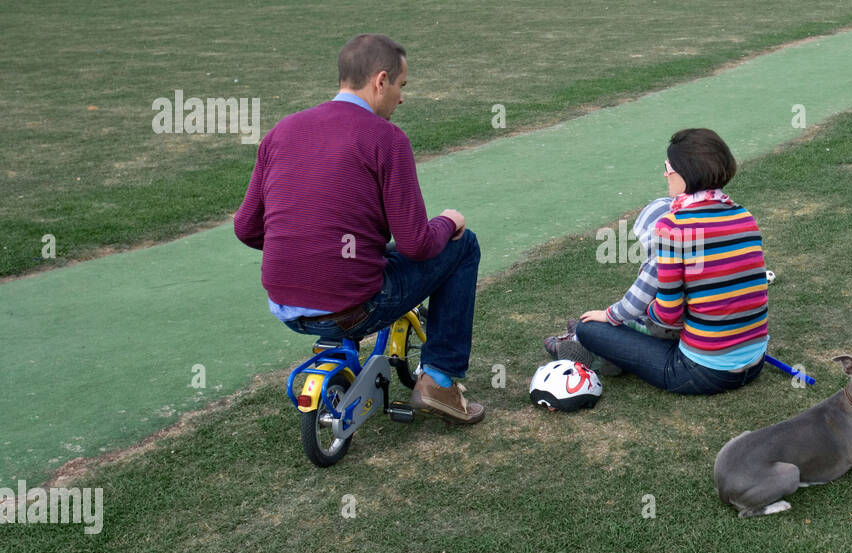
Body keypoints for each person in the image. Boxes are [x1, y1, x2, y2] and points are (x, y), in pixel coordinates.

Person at [233, 33, 485, 424]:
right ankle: (439, 378)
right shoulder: (386, 139)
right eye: (402, 86)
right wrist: (449, 221)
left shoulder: (281, 131)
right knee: (463, 245)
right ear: (380, 81)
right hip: (355, 305)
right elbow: (417, 244)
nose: (402, 98)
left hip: (285, 306)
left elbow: (247, 229)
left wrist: (307, 244)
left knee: (362, 256)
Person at [565, 128, 768, 396]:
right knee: (634, 321)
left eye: (668, 167)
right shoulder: (744, 215)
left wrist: (628, 313)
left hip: (702, 372)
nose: (665, 174)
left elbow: (667, 315)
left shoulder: (673, 225)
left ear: (686, 172)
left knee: (589, 327)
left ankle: (599, 349)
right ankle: (613, 352)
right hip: (755, 362)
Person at [543, 195, 681, 373]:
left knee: (616, 324)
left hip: (662, 327)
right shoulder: (695, 255)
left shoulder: (659, 263)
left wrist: (608, 315)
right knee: (633, 319)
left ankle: (587, 347)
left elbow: (634, 303)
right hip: (679, 326)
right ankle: (594, 343)